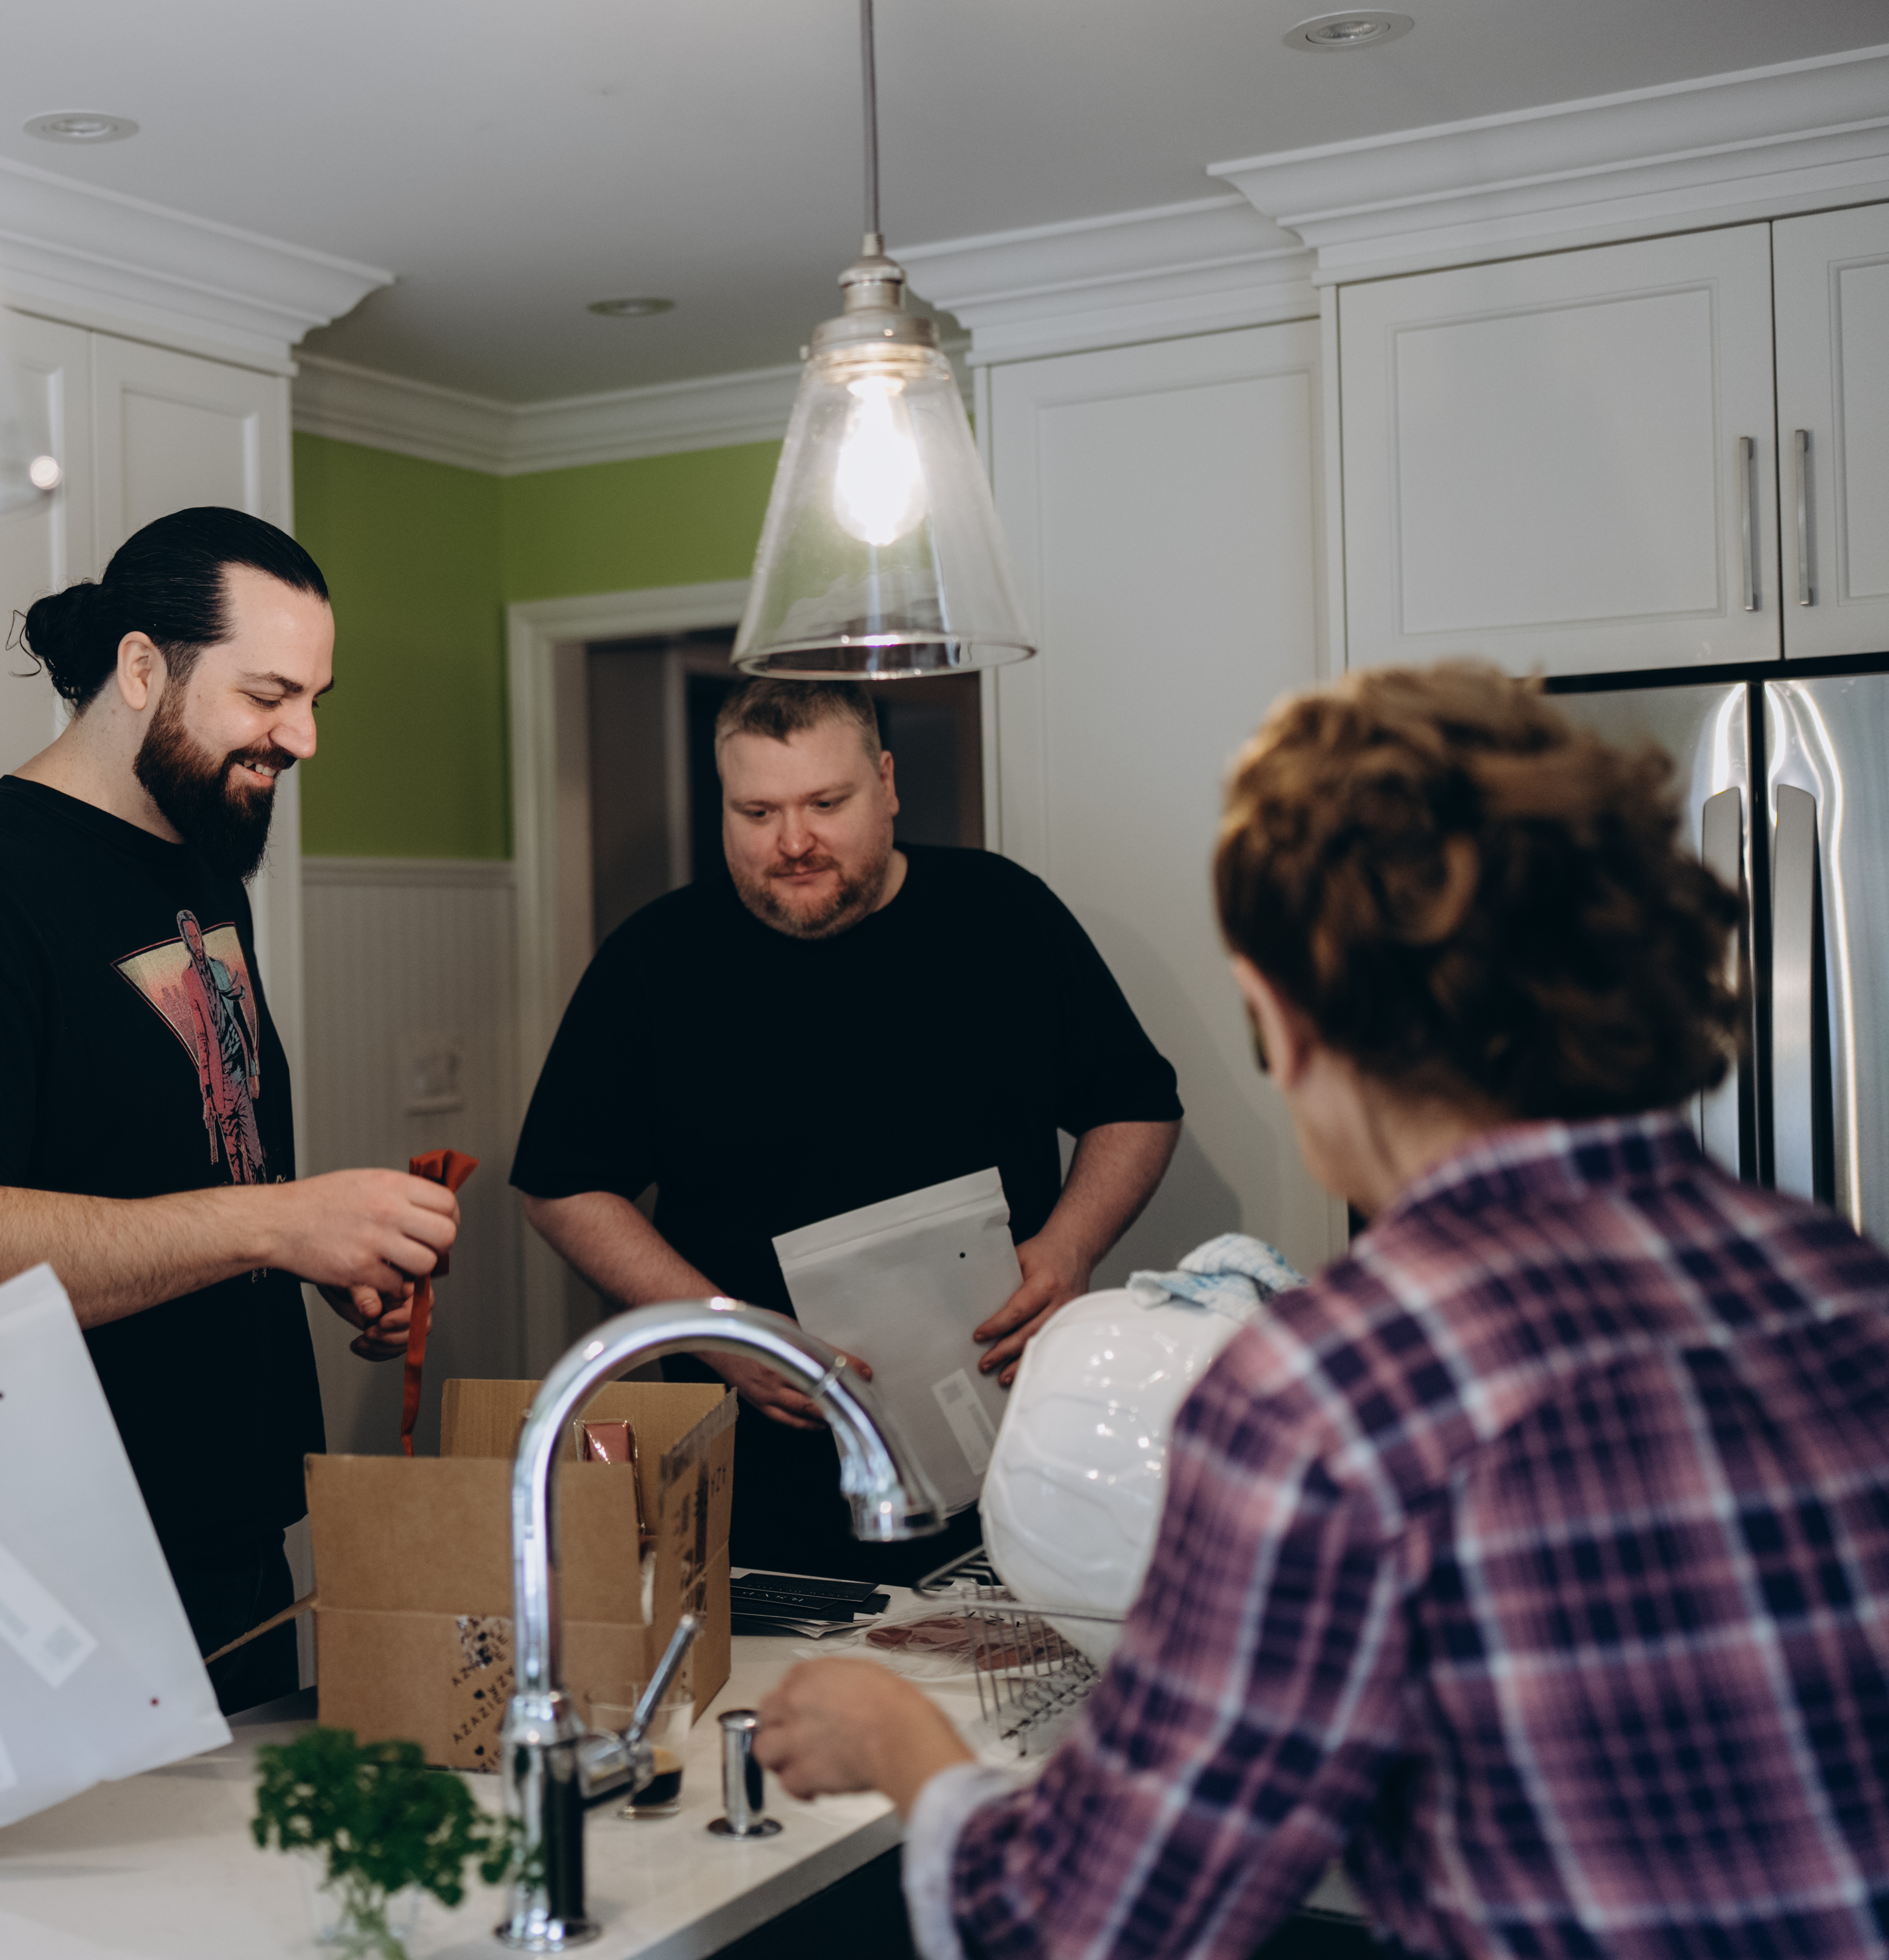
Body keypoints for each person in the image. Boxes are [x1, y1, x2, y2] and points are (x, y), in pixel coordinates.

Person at [755, 662, 1889, 1959]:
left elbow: (1090, 1927)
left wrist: (902, 1746)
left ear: (1291, 1024)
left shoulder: (1332, 1396)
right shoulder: (1838, 1284)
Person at [0, 507, 460, 1713]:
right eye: (269, 695)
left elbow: (179, 1156)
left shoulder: (200, 852)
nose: (305, 738)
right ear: (139, 668)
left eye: (315, 698)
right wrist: (276, 1224)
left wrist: (318, 1252)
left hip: (235, 1526)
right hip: (49, 1559)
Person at [509, 678, 1180, 1579]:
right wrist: (721, 1332)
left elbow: (1136, 1105)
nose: (793, 842)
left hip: (1004, 1436)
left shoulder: (1004, 913)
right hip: (757, 1470)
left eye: (826, 804)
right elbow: (562, 1185)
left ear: (888, 784)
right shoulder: (653, 960)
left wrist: (1070, 1247)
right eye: (758, 812)